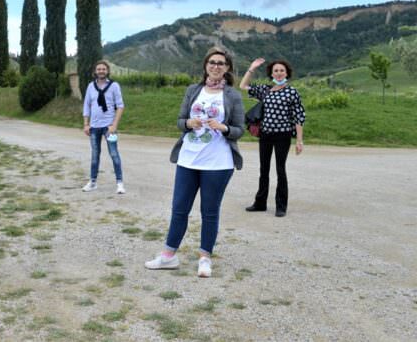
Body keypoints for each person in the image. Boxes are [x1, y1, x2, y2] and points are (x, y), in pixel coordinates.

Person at [145, 48, 244, 278]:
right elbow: (180, 121)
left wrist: (224, 128)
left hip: (218, 163)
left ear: (227, 68)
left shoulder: (232, 96)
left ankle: (205, 258)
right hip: (188, 158)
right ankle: (168, 256)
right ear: (205, 66)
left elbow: (240, 130)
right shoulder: (193, 90)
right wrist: (189, 122)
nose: (216, 66)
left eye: (221, 63)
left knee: (209, 212)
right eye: (212, 62)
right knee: (179, 208)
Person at [239, 57, 306, 217]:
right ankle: (260, 203)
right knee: (264, 169)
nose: (279, 73)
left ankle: (281, 206)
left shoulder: (292, 92)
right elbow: (243, 86)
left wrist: (299, 140)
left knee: (280, 170)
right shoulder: (265, 90)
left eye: (282, 70)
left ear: (287, 73)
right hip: (266, 135)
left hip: (283, 135)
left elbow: (299, 116)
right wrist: (252, 68)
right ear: (271, 73)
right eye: (275, 70)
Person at [82, 60, 126, 194]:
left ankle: (119, 183)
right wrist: (86, 124)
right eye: (99, 69)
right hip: (94, 127)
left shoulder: (114, 86)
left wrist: (114, 125)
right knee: (95, 155)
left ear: (107, 71)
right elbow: (87, 105)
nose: (101, 71)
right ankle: (93, 182)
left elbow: (120, 106)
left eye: (103, 69)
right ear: (95, 72)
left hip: (109, 127)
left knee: (114, 154)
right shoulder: (90, 86)